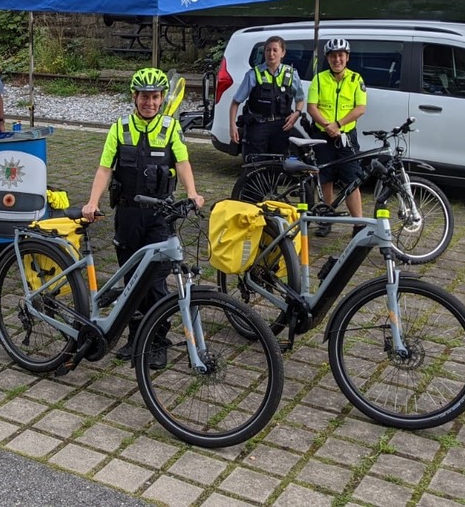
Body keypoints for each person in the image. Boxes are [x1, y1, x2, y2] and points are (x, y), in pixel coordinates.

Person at [82, 68, 205, 370]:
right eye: (144, 97)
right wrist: (92, 202)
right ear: (134, 97)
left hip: (160, 216)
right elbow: (104, 169)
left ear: (162, 99)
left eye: (154, 97)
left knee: (156, 280)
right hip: (127, 214)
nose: (149, 102)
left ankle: (158, 341)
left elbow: (183, 161)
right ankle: (136, 337)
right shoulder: (119, 128)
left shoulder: (170, 128)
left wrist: (193, 192)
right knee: (131, 277)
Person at [306, 38, 367, 236]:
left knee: (352, 180)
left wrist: (338, 124)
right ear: (328, 58)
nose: (337, 59)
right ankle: (326, 220)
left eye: (341, 55)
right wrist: (327, 125)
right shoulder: (319, 79)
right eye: (333, 56)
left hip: (346, 136)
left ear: (347, 57)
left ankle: (358, 224)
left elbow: (360, 108)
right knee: (325, 179)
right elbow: (312, 107)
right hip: (322, 136)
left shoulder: (356, 79)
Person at [226, 35, 306, 160]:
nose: (271, 54)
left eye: (275, 50)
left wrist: (297, 113)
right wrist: (232, 127)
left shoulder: (291, 74)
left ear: (282, 53)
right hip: (258, 126)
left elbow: (300, 99)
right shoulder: (253, 74)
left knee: (278, 166)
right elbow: (235, 102)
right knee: (255, 165)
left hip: (281, 127)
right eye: (268, 50)